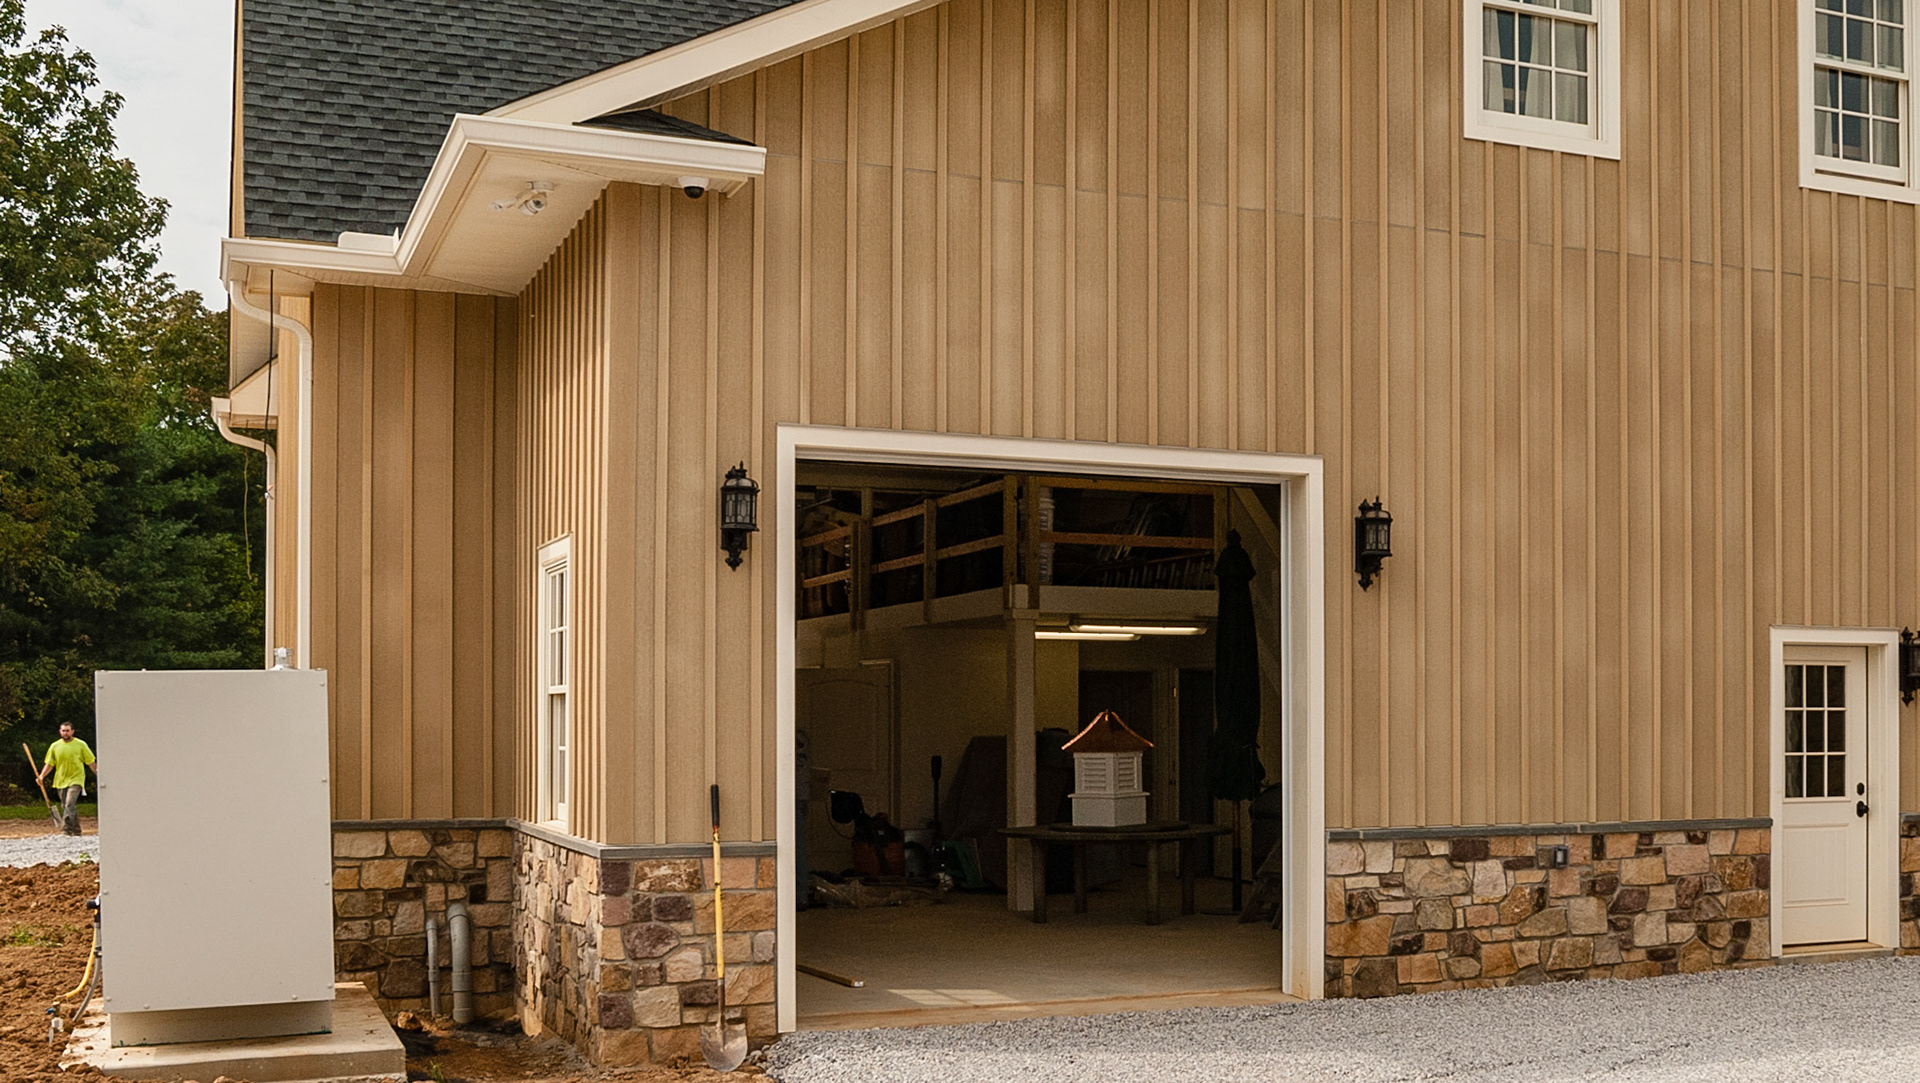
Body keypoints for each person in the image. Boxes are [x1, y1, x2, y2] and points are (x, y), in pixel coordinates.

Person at [37, 723, 98, 836]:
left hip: (76, 779)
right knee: (66, 806)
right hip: (61, 780)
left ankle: (66, 829)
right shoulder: (55, 746)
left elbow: (90, 761)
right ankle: (76, 830)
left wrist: (98, 773)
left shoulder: (81, 745)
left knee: (69, 803)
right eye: (63, 731)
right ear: (60, 732)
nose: (65, 733)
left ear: (72, 731)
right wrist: (42, 776)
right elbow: (50, 764)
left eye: (68, 730)